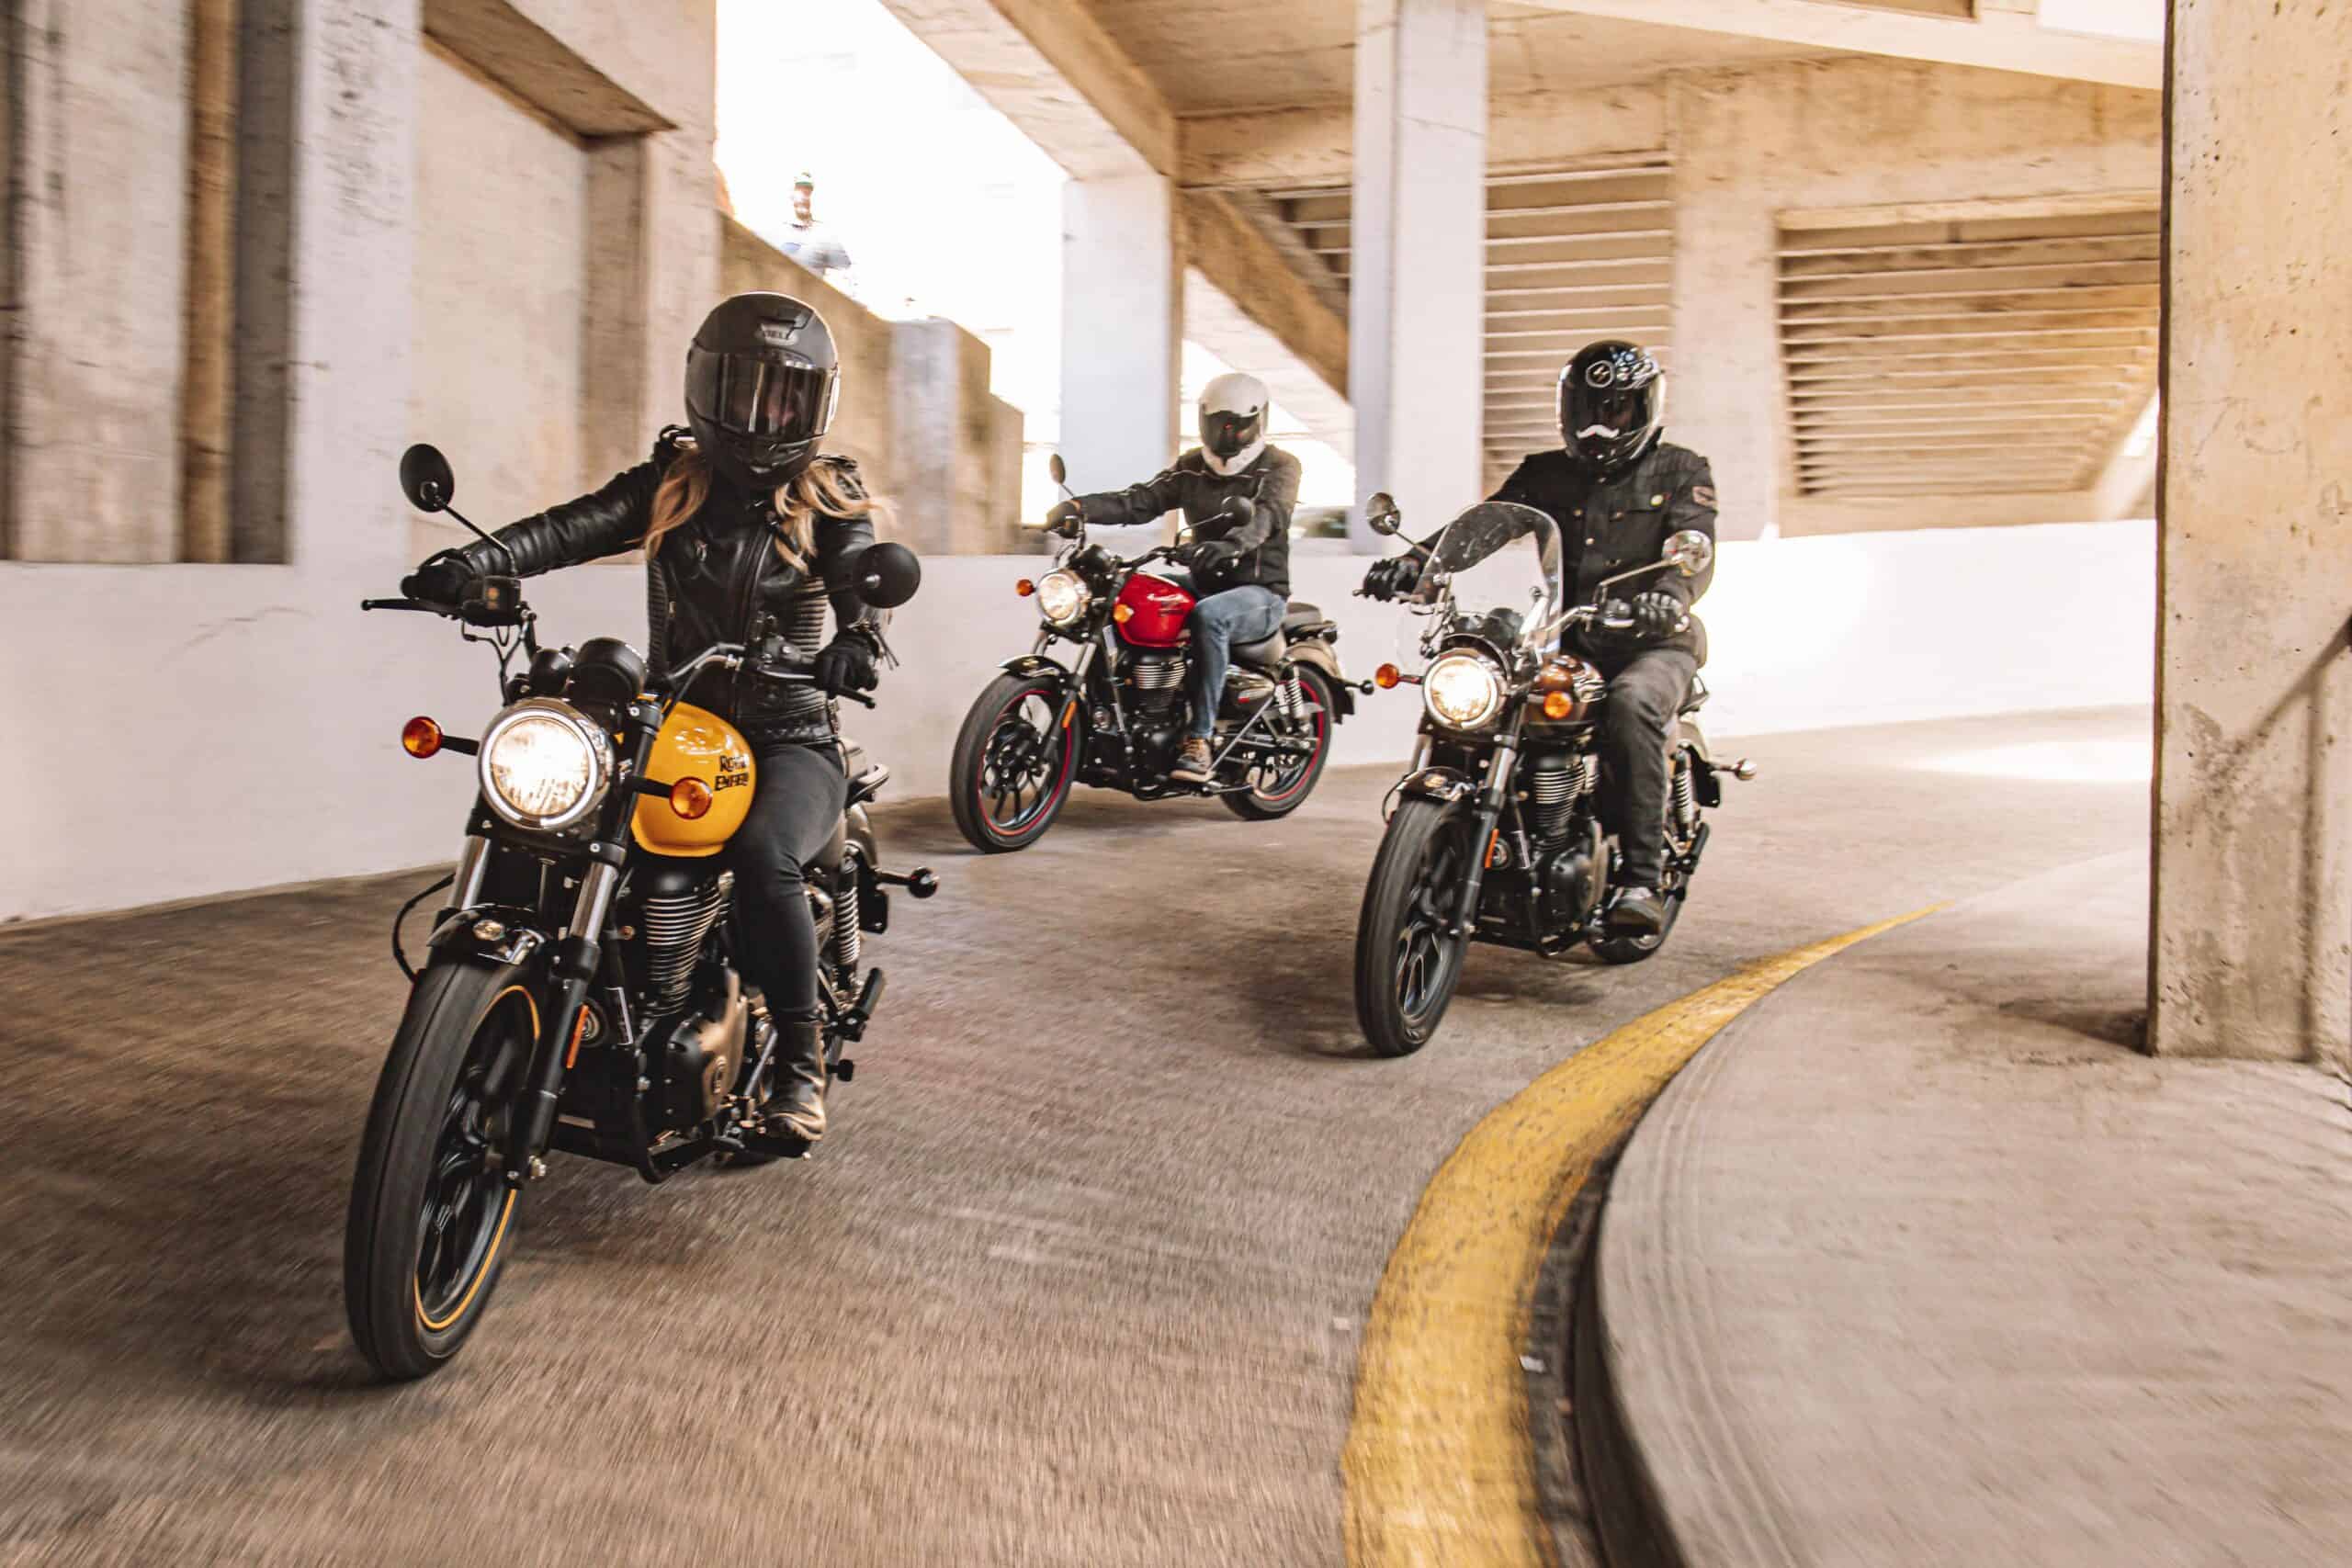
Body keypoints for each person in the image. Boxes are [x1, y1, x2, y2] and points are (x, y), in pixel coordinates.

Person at [399, 292, 888, 1142]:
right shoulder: (672, 483)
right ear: (707, 388)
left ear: (814, 408)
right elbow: (569, 528)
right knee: (557, 822)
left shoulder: (829, 495)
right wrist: (473, 562)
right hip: (676, 722)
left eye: (786, 399)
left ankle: (799, 1065)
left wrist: (859, 636)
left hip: (789, 735)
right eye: (747, 392)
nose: (765, 417)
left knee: (764, 854)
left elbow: (860, 573)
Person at [1362, 339, 1716, 937]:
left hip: (1650, 639)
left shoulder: (1682, 470)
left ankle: (1640, 878)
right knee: (1480, 674)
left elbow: (1694, 549)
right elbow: (1484, 526)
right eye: (1588, 410)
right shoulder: (1545, 472)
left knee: (1633, 703)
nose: (1601, 426)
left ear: (1644, 409)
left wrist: (1670, 597)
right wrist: (1419, 563)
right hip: (1562, 632)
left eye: (1616, 410)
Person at [1046, 371, 1303, 784]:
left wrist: (1232, 545)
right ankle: (1125, 716)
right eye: (1220, 424)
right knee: (1127, 593)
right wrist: (1080, 508)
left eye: (1237, 425)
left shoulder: (1281, 466)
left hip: (1259, 592)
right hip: (1202, 581)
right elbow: (1141, 500)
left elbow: (1269, 515)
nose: (1228, 434)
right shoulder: (1192, 467)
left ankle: (1199, 740)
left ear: (1258, 421)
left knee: (1210, 617)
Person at [778, 172, 854, 288]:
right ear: (791, 195)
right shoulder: (776, 232)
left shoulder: (825, 236)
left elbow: (847, 275)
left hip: (807, 298)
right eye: (800, 191)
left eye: (808, 192)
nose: (804, 197)